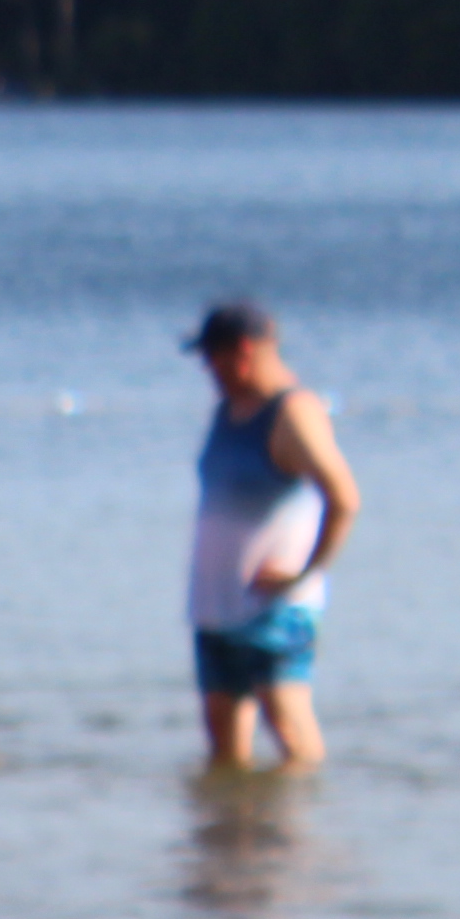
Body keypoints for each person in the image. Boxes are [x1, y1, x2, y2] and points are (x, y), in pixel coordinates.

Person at [184, 299, 358, 771]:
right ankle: (232, 839)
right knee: (223, 751)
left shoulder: (293, 413)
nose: (206, 369)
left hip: (275, 610)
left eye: (211, 357)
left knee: (289, 732)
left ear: (241, 351)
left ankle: (301, 837)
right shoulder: (226, 411)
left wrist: (303, 573)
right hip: (216, 607)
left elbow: (344, 497)